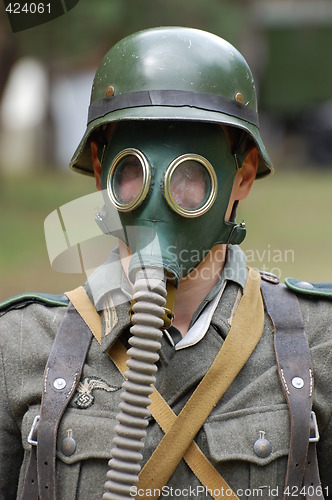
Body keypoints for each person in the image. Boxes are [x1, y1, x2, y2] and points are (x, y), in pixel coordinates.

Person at [0, 27, 331, 500]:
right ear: (101, 171)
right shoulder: (20, 349)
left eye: (191, 175)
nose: (158, 200)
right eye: (131, 171)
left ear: (243, 175)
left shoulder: (315, 345)